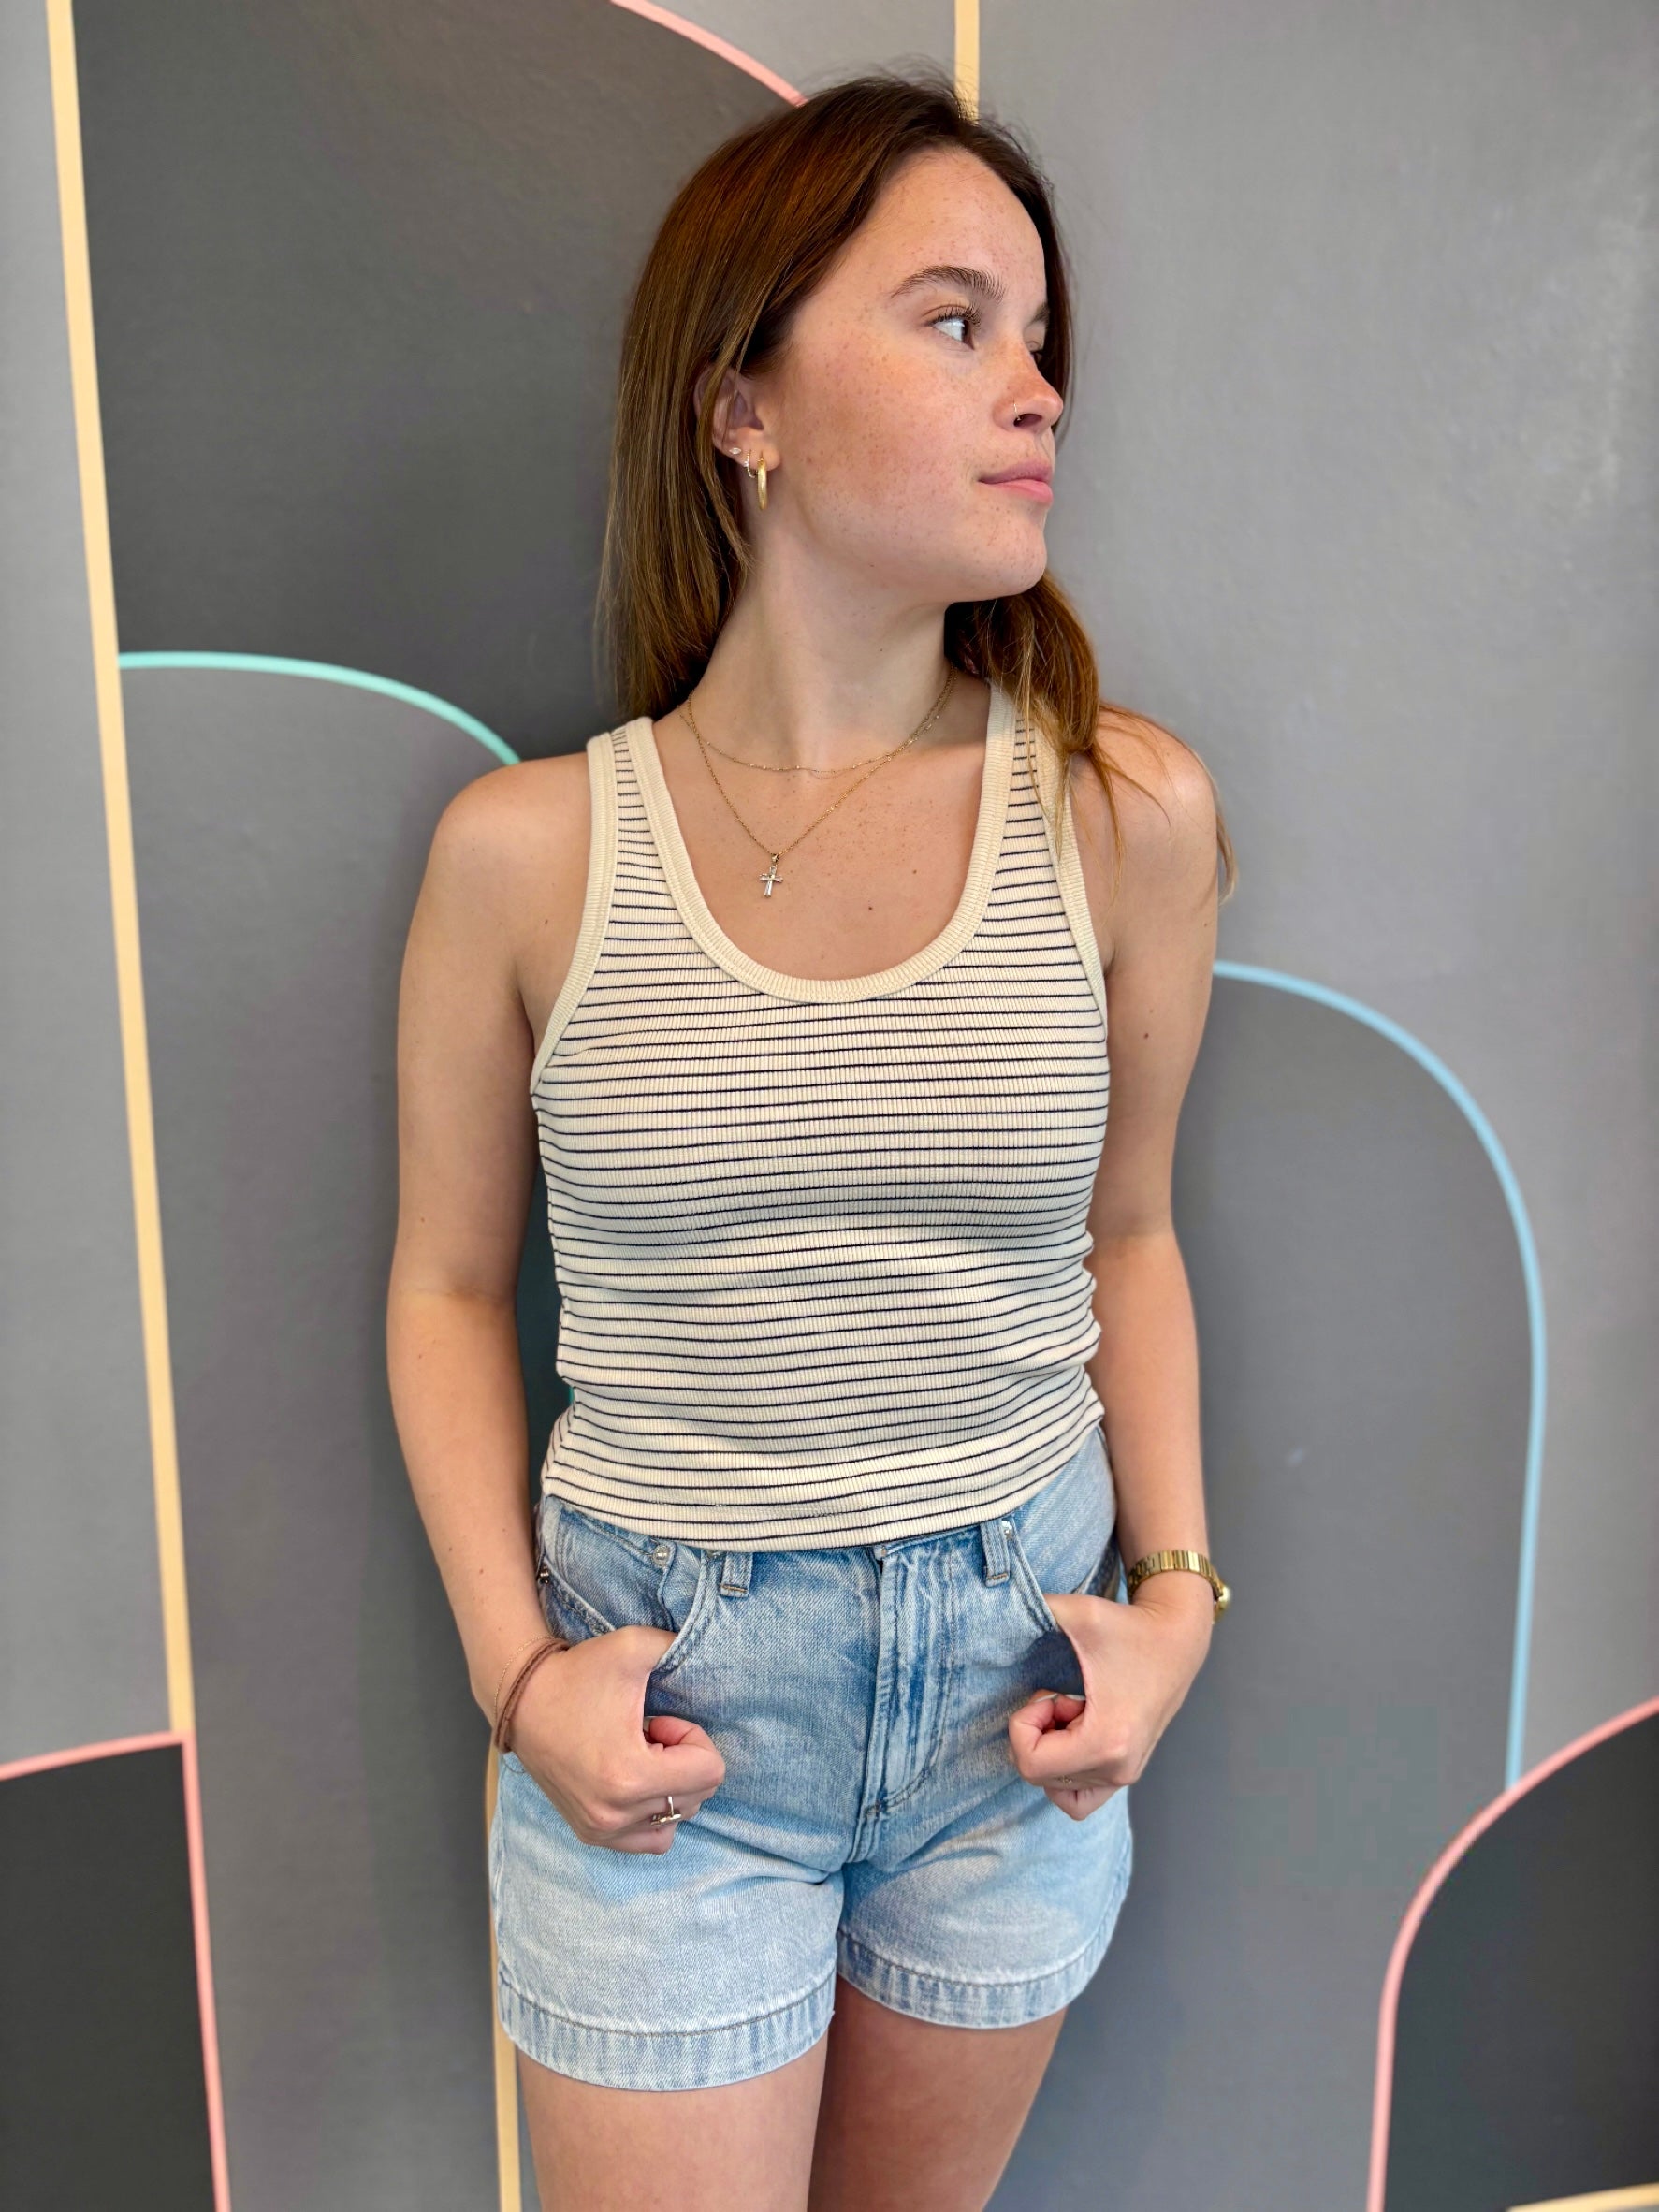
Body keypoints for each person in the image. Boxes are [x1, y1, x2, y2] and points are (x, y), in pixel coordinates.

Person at [387, 65, 1236, 2212]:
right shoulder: (525, 855)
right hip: (671, 1727)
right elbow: (447, 1287)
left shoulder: (1120, 815)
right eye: (953, 321)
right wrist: (514, 1680)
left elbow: (1128, 1238)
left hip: (1012, 1708)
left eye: (1038, 336)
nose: (1035, 388)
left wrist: (1175, 1599)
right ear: (739, 402)